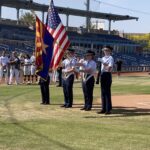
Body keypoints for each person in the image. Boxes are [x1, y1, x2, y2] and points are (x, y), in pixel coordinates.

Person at [97, 46, 114, 115]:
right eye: (104, 50)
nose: (105, 51)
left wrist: (104, 64)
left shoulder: (110, 58)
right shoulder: (103, 58)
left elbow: (109, 68)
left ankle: (108, 109)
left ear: (110, 51)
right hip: (102, 74)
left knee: (107, 92)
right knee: (103, 93)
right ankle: (103, 108)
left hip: (107, 74)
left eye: (107, 50)